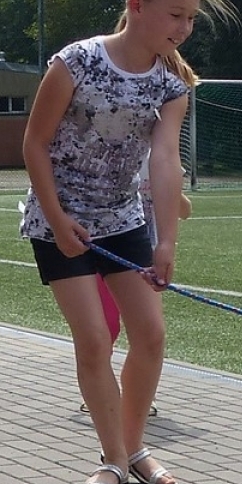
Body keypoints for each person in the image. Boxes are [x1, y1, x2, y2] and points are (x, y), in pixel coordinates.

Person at [21, 0, 233, 484]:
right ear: (136, 6)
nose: (184, 29)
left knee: (151, 335)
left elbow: (164, 162)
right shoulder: (77, 63)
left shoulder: (171, 84)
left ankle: (133, 448)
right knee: (93, 338)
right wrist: (59, 218)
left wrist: (167, 241)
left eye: (191, 19)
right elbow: (34, 144)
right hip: (58, 219)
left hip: (121, 218)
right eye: (175, 15)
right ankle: (111, 458)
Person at [83, 157, 194, 417]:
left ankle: (138, 394)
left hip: (145, 261)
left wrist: (170, 191)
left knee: (147, 333)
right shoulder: (116, 156)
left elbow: (185, 211)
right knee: (106, 328)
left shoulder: (160, 160)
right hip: (109, 253)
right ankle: (99, 391)